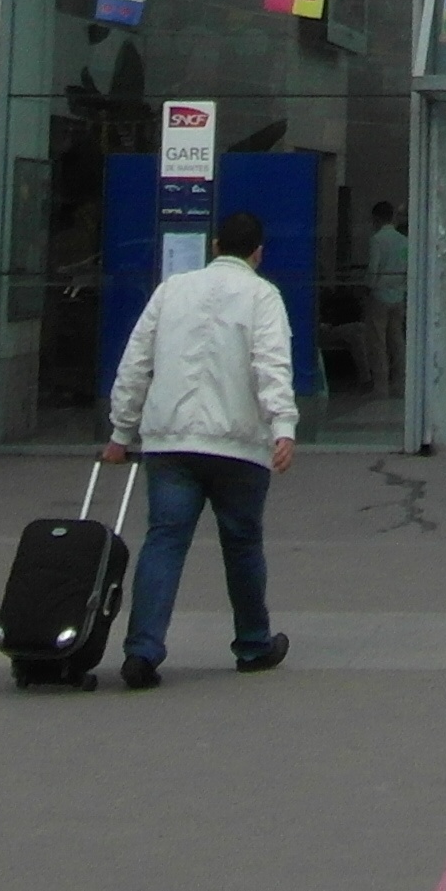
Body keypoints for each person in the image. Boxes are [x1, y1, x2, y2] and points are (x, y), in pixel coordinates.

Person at [100, 207, 297, 688]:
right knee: (243, 544)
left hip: (170, 441)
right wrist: (283, 425)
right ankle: (252, 643)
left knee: (164, 541)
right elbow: (270, 363)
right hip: (238, 444)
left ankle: (142, 650)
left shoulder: (171, 291)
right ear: (258, 253)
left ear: (214, 247)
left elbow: (136, 362)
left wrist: (120, 433)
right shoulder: (262, 295)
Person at [366, 201, 410, 404]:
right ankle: (400, 383)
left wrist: (369, 286)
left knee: (378, 341)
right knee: (397, 340)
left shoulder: (377, 240)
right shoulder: (404, 241)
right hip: (399, 294)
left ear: (376, 218)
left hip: (380, 295)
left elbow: (373, 268)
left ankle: (381, 386)